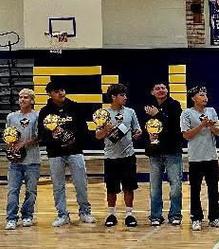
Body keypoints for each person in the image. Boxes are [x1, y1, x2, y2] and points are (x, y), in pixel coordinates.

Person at [38, 81, 95, 227]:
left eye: (62, 90)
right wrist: (52, 136)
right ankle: (62, 214)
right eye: (56, 91)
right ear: (49, 94)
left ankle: (85, 212)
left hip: (75, 151)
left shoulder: (75, 107)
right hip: (55, 153)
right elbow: (41, 135)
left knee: (81, 183)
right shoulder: (44, 112)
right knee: (58, 185)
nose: (61, 93)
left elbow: (84, 129)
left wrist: (74, 139)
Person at [94, 84, 142, 227]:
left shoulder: (130, 112)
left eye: (125, 95)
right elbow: (98, 135)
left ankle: (129, 214)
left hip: (128, 155)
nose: (125, 98)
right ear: (113, 97)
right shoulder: (103, 114)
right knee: (111, 188)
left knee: (129, 187)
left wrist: (138, 134)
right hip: (110, 157)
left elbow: (137, 130)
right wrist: (106, 130)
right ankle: (111, 213)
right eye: (122, 95)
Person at [180, 85, 219, 231]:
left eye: (205, 95)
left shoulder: (211, 111)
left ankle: (214, 217)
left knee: (213, 189)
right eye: (201, 95)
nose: (205, 98)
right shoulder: (186, 114)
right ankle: (196, 218)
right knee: (195, 190)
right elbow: (186, 135)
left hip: (211, 156)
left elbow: (217, 132)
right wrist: (202, 125)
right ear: (193, 98)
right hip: (195, 158)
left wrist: (211, 126)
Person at [143, 82, 184, 227]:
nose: (161, 90)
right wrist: (146, 138)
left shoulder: (175, 105)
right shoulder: (147, 107)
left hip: (172, 151)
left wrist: (158, 115)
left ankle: (175, 214)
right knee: (155, 186)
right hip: (154, 153)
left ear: (167, 90)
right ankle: (155, 215)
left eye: (163, 88)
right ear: (152, 92)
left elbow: (176, 126)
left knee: (176, 185)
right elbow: (144, 128)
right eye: (157, 88)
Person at [4, 88, 40, 230]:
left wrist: (24, 144)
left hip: (32, 160)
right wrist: (11, 146)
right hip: (15, 162)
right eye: (20, 97)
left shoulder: (37, 116)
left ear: (32, 100)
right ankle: (11, 218)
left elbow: (40, 136)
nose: (22, 100)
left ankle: (27, 215)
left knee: (31, 191)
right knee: (13, 190)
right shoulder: (11, 117)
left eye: (26, 97)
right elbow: (8, 135)